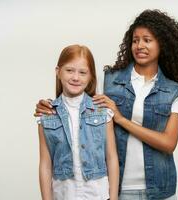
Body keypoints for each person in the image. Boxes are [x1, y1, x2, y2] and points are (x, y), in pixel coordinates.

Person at [35, 9, 178, 200]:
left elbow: (168, 143)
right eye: (135, 40)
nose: (139, 45)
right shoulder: (109, 80)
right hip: (119, 186)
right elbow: (77, 102)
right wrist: (49, 107)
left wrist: (121, 119)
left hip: (160, 188)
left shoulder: (173, 90)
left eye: (147, 40)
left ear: (162, 44)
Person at [37, 44, 119, 200]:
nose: (75, 77)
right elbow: (45, 165)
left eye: (82, 72)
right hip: (63, 194)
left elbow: (111, 157)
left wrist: (113, 197)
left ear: (90, 77)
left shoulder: (102, 111)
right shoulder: (46, 114)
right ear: (58, 72)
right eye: (69, 70)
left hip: (98, 195)